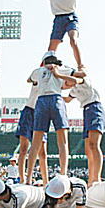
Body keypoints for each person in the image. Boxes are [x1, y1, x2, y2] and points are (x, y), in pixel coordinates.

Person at [25, 54, 85, 184]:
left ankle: (28, 178)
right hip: (56, 99)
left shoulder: (38, 71)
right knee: (62, 141)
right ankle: (63, 174)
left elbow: (29, 80)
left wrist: (41, 79)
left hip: (41, 100)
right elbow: (80, 76)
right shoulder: (60, 68)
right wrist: (60, 77)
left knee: (36, 142)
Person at [63, 74, 105, 187]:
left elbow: (79, 74)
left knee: (94, 145)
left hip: (95, 108)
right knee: (88, 150)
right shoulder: (74, 90)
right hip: (86, 112)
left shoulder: (83, 81)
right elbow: (67, 99)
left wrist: (59, 73)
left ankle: (96, 178)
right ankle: (91, 179)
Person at [15, 82, 48, 185]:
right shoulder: (39, 75)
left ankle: (46, 181)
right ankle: (22, 179)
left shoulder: (54, 81)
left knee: (42, 152)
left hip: (42, 113)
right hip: (29, 111)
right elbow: (30, 79)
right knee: (23, 149)